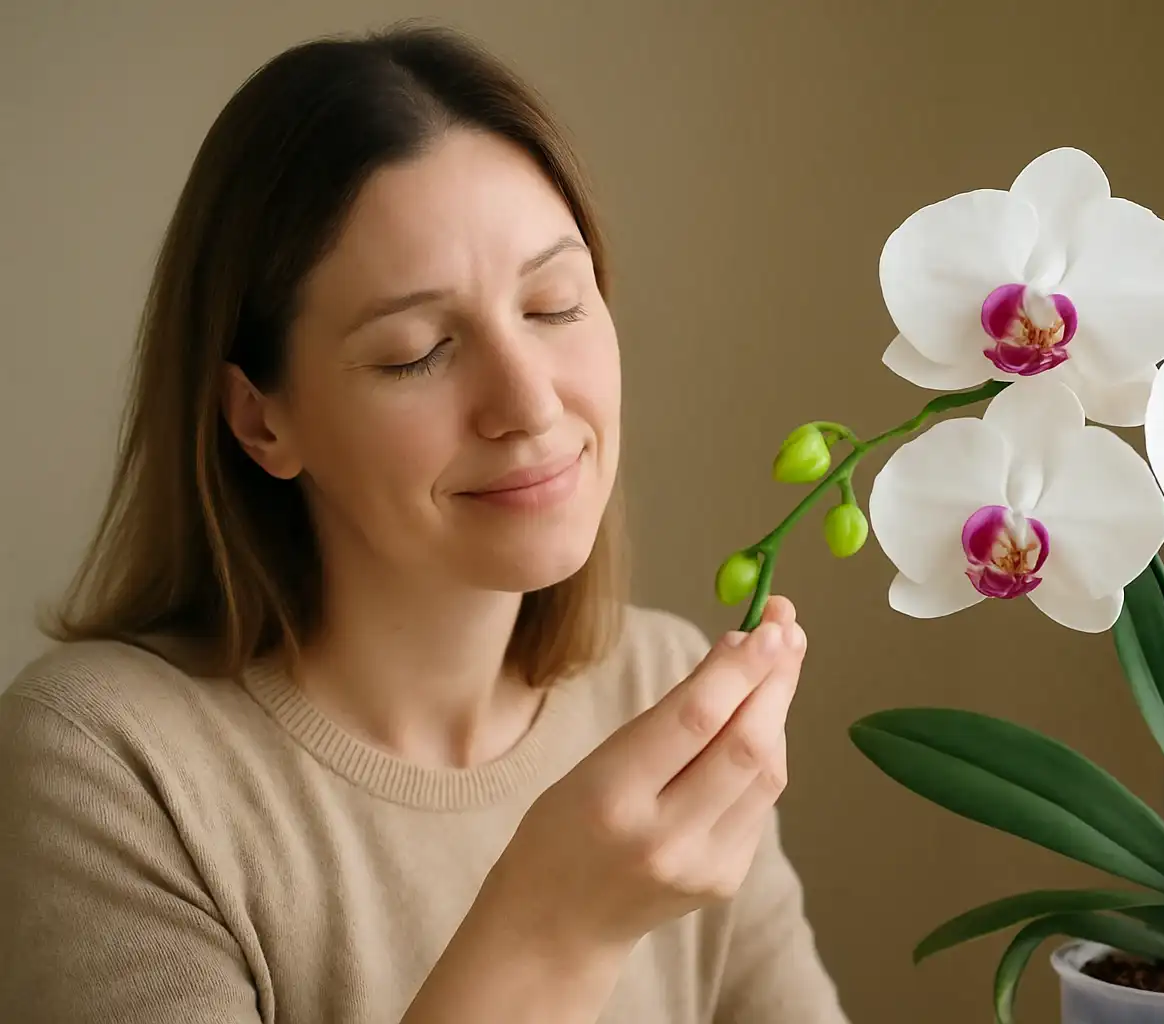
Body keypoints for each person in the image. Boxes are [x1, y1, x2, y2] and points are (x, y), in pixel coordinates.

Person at [0, 24, 847, 1024]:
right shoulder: (109, 761)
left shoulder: (663, 692)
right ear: (261, 419)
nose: (529, 404)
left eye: (556, 304)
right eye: (415, 352)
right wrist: (557, 928)